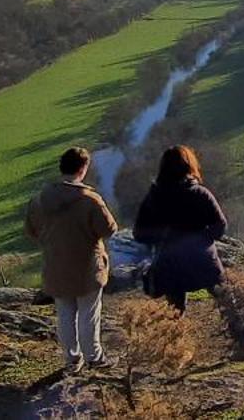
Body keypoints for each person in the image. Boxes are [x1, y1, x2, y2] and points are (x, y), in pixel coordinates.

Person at [23, 146, 118, 372]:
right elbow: (109, 229)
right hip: (87, 267)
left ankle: (72, 360)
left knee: (65, 315)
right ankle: (94, 358)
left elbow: (30, 230)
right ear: (83, 169)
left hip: (56, 266)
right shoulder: (90, 200)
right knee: (88, 314)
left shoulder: (40, 200)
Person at [133, 144, 229, 311]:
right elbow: (220, 226)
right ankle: (242, 331)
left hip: (169, 263)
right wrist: (202, 239)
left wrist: (162, 238)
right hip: (203, 261)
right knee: (226, 300)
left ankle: (177, 334)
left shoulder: (155, 197)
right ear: (190, 165)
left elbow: (139, 233)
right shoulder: (200, 193)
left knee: (175, 310)